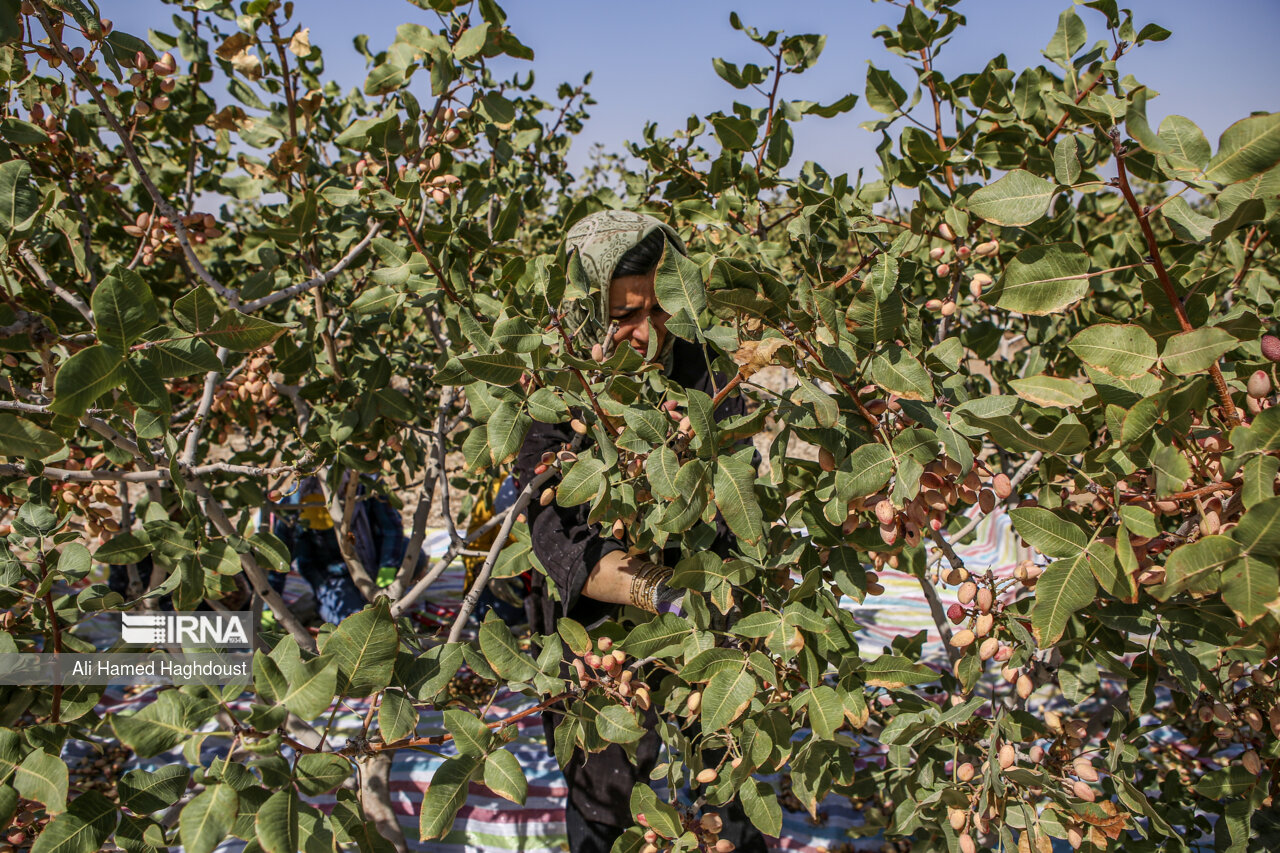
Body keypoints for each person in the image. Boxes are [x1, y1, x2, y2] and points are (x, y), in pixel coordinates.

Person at [513, 210, 767, 853]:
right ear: (583, 312)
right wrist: (665, 593)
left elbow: (735, 481)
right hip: (598, 641)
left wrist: (716, 603)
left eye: (662, 307)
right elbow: (553, 529)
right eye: (625, 315)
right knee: (612, 801)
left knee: (723, 801)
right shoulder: (553, 391)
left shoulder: (703, 365)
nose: (649, 329)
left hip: (709, 634)